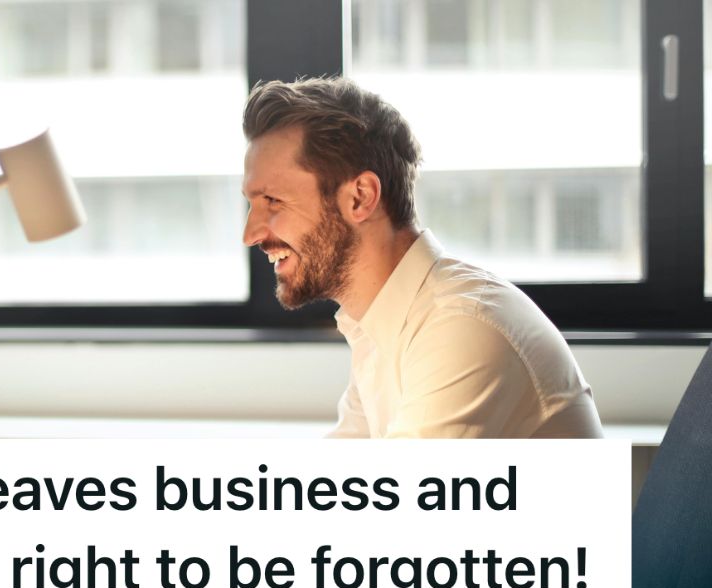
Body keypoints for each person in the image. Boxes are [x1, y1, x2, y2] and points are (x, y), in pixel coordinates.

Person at [240, 77, 602, 438]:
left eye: (273, 200)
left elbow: (401, 493)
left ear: (360, 197)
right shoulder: (381, 326)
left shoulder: (462, 327)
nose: (250, 233)